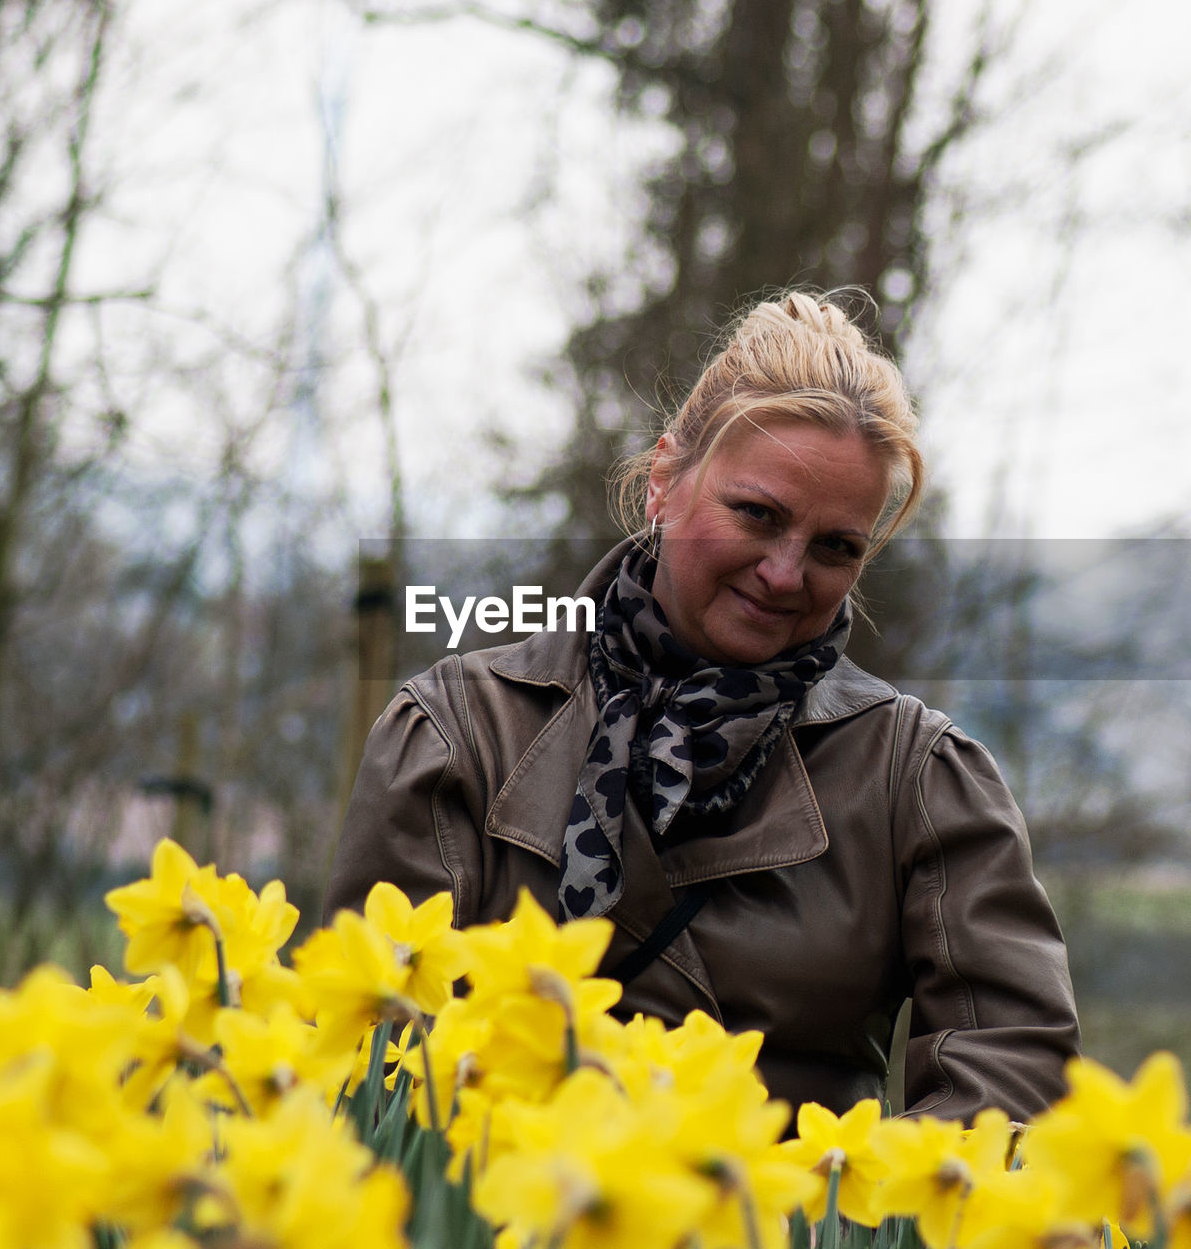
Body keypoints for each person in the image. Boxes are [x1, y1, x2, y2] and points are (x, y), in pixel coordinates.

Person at [323, 289, 1081, 1123]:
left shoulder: (917, 781)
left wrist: (828, 1201)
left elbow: (1011, 1086)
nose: (787, 573)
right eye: (757, 515)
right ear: (665, 479)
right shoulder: (460, 733)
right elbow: (366, 1066)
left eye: (836, 547)